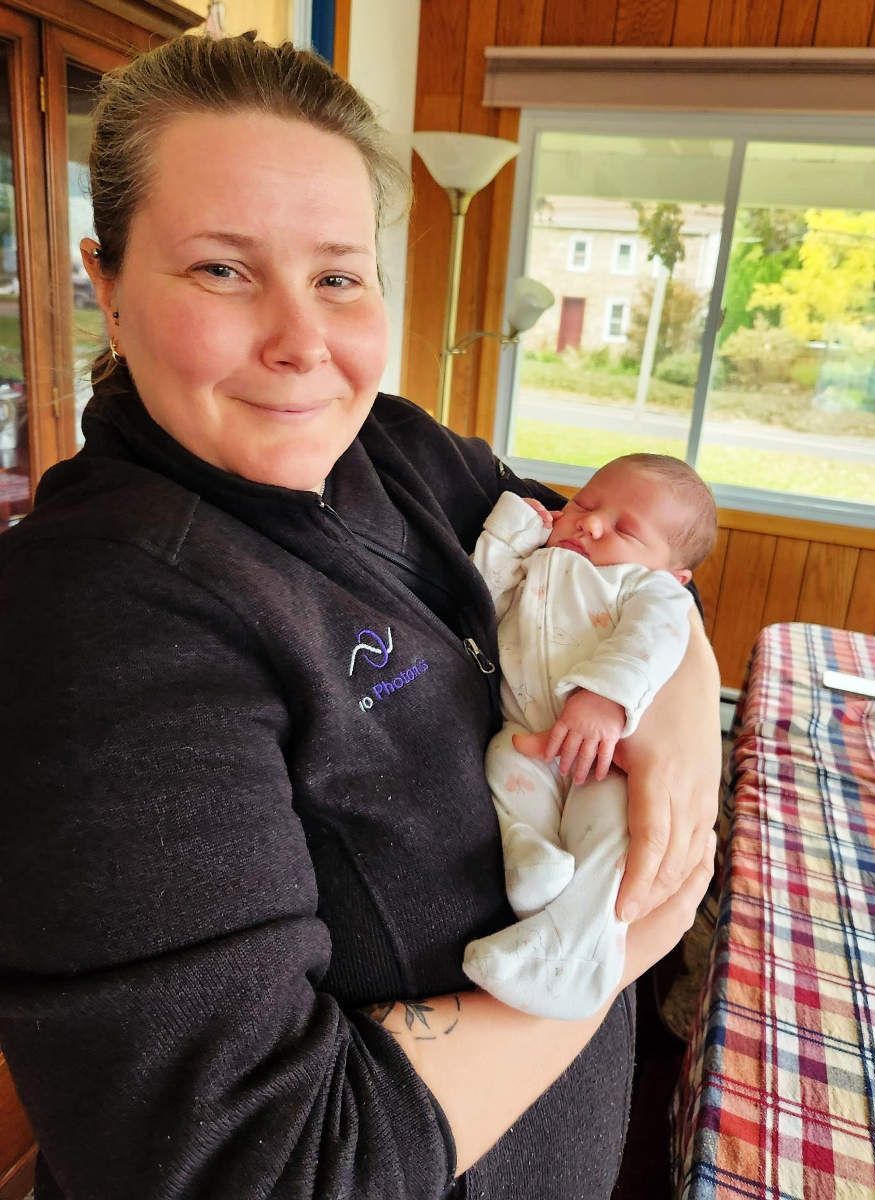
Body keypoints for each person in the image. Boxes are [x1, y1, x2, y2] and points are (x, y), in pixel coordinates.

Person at [0, 33, 721, 1200]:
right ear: (108, 284)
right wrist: (628, 941)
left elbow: (627, 566)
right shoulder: (94, 624)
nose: (302, 344)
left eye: (337, 277)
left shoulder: (397, 447)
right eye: (221, 269)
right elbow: (261, 1166)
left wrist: (678, 721)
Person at [463, 455, 718, 1019]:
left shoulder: (650, 589)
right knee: (502, 765)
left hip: (607, 751)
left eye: (625, 529)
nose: (591, 523)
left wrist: (605, 699)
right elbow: (481, 600)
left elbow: (651, 640)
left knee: (610, 834)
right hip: (528, 735)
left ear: (674, 574)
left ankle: (575, 957)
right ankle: (531, 855)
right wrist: (510, 535)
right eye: (583, 502)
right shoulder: (540, 562)